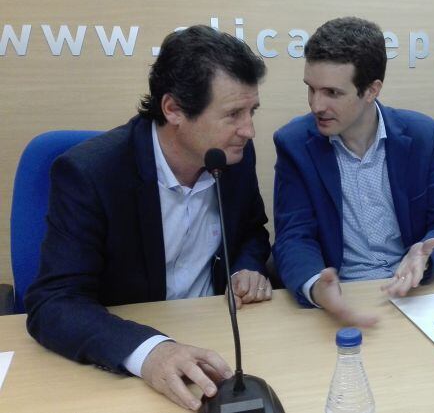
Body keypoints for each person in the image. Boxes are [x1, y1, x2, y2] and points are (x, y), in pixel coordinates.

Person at [25, 25, 273, 411]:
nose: (249, 129)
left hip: (219, 335)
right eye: (233, 114)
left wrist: (245, 268)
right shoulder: (91, 173)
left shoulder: (233, 153)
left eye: (252, 111)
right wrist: (151, 353)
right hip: (126, 356)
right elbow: (54, 302)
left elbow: (251, 232)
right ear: (173, 109)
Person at [272, 17, 434, 325]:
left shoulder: (419, 134)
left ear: (371, 90)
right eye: (311, 89)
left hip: (413, 293)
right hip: (342, 295)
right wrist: (316, 288)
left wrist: (425, 258)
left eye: (332, 93)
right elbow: (293, 237)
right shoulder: (295, 143)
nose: (316, 105)